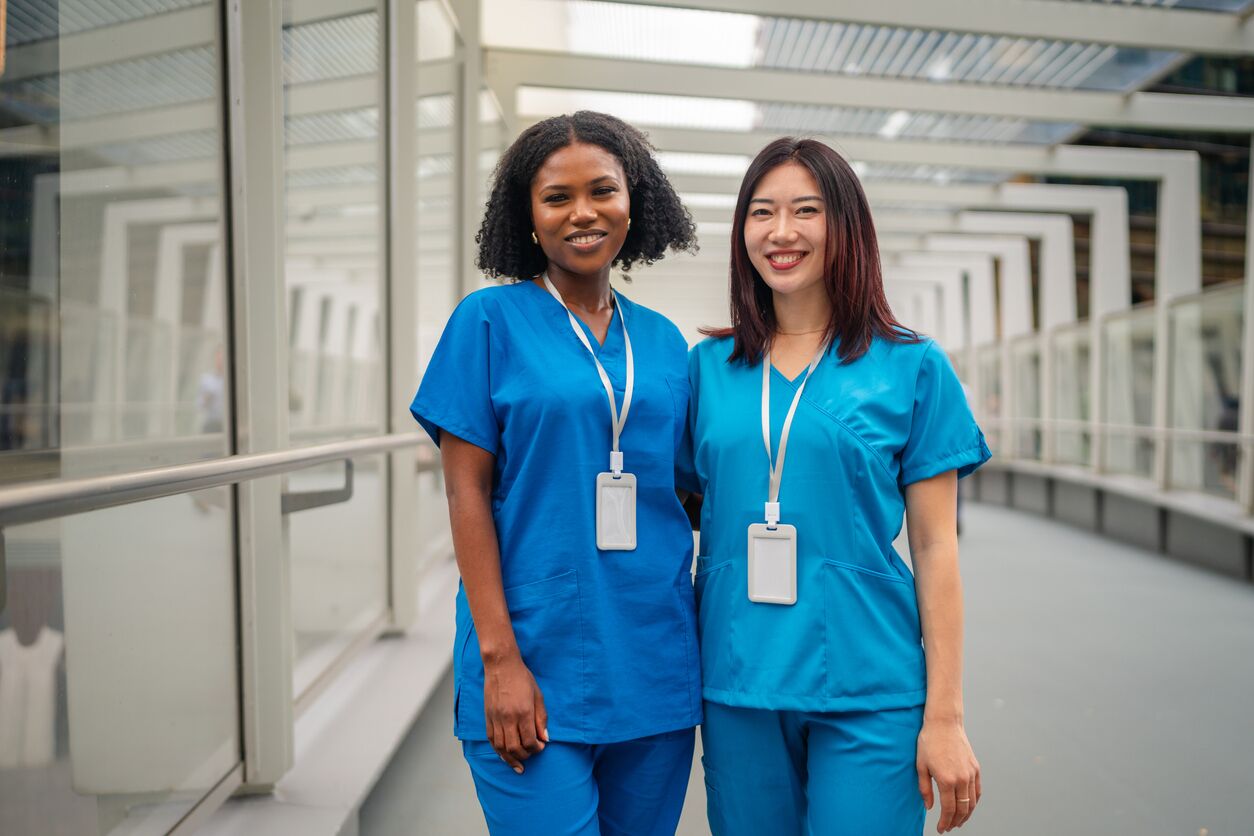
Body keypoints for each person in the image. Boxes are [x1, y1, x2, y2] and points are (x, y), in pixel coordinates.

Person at [680, 138, 991, 835]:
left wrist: (945, 716)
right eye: (761, 213)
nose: (781, 232)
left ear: (844, 225)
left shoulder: (912, 367)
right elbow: (681, 504)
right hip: (739, 680)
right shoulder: (704, 370)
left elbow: (937, 548)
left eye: (805, 211)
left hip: (869, 683)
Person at [410, 111, 701, 836]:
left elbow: (689, 492)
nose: (583, 214)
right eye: (556, 197)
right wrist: (500, 660)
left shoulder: (664, 344)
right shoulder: (487, 323)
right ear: (528, 215)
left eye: (602, 190)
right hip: (532, 662)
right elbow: (465, 492)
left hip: (653, 659)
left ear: (634, 199)